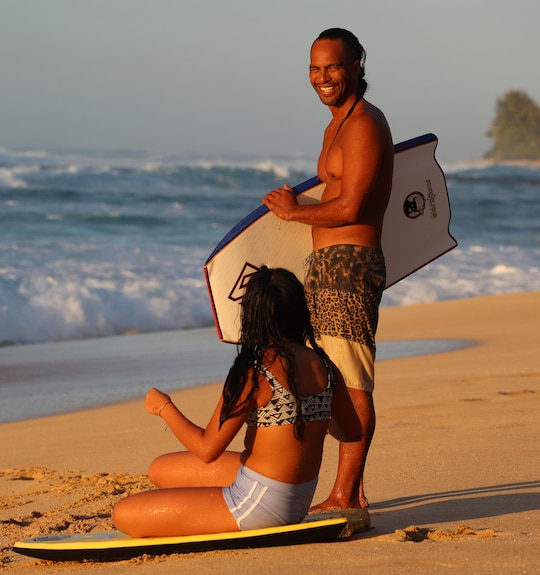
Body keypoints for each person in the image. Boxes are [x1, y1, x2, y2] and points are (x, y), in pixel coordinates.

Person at [112, 267, 360, 537]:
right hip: (297, 498)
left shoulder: (255, 372)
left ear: (253, 316)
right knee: (160, 469)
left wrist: (164, 407)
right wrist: (310, 416)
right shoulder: (324, 366)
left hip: (257, 505)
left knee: (123, 514)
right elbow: (350, 432)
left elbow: (207, 449)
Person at [261, 28, 394, 512]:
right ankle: (350, 490)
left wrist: (295, 212)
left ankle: (346, 495)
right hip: (326, 265)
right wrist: (297, 210)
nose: (323, 77)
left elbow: (353, 205)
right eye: (315, 69)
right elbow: (337, 198)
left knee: (352, 380)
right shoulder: (334, 125)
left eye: (332, 67)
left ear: (357, 64)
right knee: (329, 376)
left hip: (350, 267)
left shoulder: (364, 124)